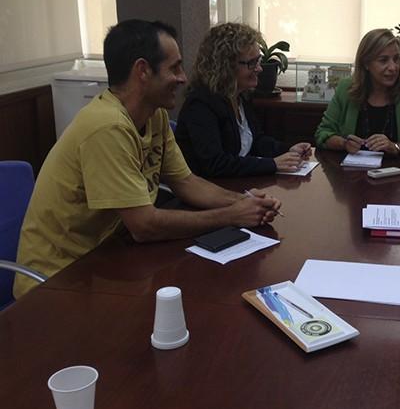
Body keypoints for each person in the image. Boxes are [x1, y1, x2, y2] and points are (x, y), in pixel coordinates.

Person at [14, 20, 282, 298]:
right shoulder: (107, 127)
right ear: (142, 70)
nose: (183, 78)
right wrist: (230, 216)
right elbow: (144, 226)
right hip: (57, 282)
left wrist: (245, 202)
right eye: (174, 68)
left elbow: (186, 182)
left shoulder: (155, 115)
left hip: (107, 259)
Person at [175, 22, 311, 177]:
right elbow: (215, 164)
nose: (259, 68)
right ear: (226, 66)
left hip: (237, 184)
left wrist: (288, 150)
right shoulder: (200, 105)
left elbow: (256, 141)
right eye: (252, 63)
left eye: (258, 60)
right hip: (208, 187)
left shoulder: (240, 95)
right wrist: (272, 164)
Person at [315, 28, 400, 157]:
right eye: (383, 60)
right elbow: (323, 134)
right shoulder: (346, 89)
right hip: (352, 168)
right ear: (366, 63)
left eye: (396, 59)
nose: (393, 67)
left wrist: (396, 147)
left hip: (399, 168)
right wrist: (344, 143)